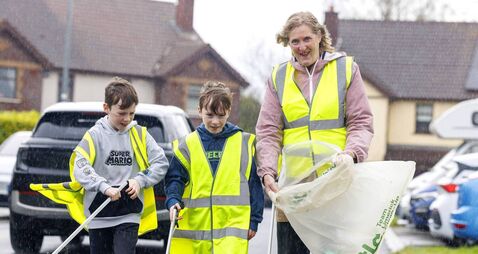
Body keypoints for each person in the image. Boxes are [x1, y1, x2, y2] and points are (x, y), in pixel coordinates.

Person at [256, 11, 374, 254]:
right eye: (295, 41)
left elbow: (361, 121)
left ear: (320, 36)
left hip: (335, 182)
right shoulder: (278, 77)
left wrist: (352, 154)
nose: (301, 47)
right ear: (287, 43)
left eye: (307, 39)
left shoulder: (346, 69)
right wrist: (267, 173)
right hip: (294, 187)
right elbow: (268, 131)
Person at [72, 77, 169, 254]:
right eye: (122, 113)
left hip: (128, 214)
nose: (127, 119)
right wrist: (103, 187)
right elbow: (80, 165)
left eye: (131, 113)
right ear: (106, 108)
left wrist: (140, 180)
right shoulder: (94, 135)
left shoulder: (140, 134)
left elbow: (161, 162)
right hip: (99, 213)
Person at [165, 81, 264, 254]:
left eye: (221, 115)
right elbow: (175, 179)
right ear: (199, 111)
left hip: (231, 229)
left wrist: (254, 219)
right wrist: (173, 201)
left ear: (229, 112)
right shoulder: (187, 145)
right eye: (209, 115)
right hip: (197, 229)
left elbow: (253, 183)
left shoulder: (242, 143)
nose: (215, 121)